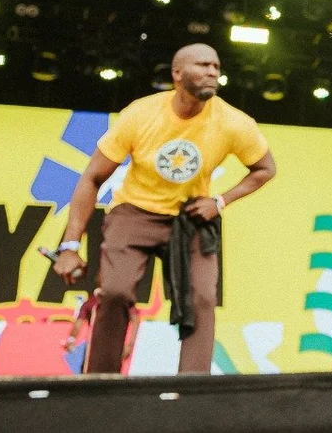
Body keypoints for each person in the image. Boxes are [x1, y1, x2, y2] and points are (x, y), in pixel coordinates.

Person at [52, 43, 276, 374]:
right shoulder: (141, 114)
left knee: (201, 299)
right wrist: (70, 245)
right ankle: (99, 382)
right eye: (202, 65)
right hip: (134, 211)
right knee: (114, 292)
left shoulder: (233, 122)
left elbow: (265, 169)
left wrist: (220, 200)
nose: (213, 71)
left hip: (189, 217)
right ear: (177, 73)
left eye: (216, 66)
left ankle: (193, 388)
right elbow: (92, 178)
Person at [62, 288, 141, 372]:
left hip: (98, 345)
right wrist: (129, 345)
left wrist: (71, 340)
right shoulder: (121, 300)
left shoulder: (91, 302)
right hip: (110, 345)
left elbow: (78, 324)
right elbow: (135, 320)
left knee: (91, 373)